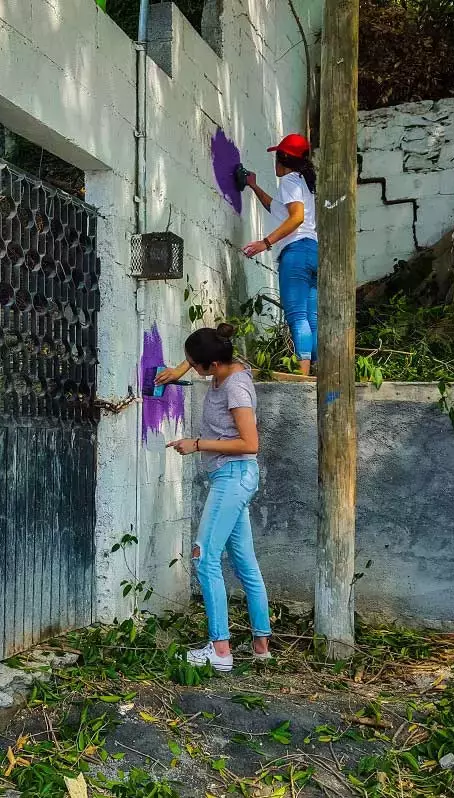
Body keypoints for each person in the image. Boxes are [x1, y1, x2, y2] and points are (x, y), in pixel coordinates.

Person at [156, 324, 271, 672]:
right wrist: (178, 370)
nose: (194, 370)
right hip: (233, 478)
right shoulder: (224, 365)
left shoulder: (236, 388)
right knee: (245, 562)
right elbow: (201, 355)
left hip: (233, 477)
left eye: (196, 366)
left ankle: (220, 650)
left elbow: (251, 444)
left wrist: (197, 444)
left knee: (204, 557)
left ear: (213, 366)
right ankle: (261, 644)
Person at [241, 133, 319, 376]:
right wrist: (253, 186)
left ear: (282, 159)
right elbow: (278, 209)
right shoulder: (304, 183)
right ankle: (315, 369)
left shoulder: (289, 182)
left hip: (296, 253)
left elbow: (296, 218)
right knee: (311, 317)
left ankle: (302, 373)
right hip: (313, 252)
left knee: (297, 316)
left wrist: (265, 243)